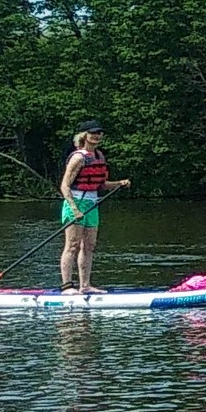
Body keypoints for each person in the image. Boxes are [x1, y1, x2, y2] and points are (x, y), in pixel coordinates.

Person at [58, 121, 128, 293]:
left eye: (99, 133)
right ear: (84, 136)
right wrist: (74, 209)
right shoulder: (78, 158)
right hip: (76, 202)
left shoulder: (99, 156)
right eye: (93, 132)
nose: (97, 135)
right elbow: (64, 186)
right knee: (72, 245)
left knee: (89, 245)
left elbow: (101, 185)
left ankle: (85, 286)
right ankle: (67, 286)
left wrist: (119, 183)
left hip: (92, 203)